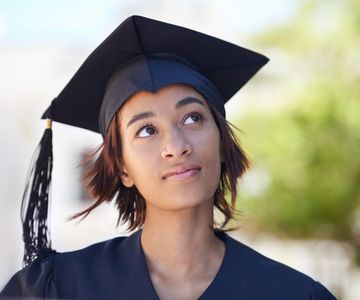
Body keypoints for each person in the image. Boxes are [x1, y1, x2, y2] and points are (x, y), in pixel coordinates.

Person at [0, 15, 336, 299]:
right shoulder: (58, 289)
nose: (175, 146)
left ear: (221, 143)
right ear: (122, 168)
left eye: (192, 118)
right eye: (146, 130)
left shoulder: (292, 294)